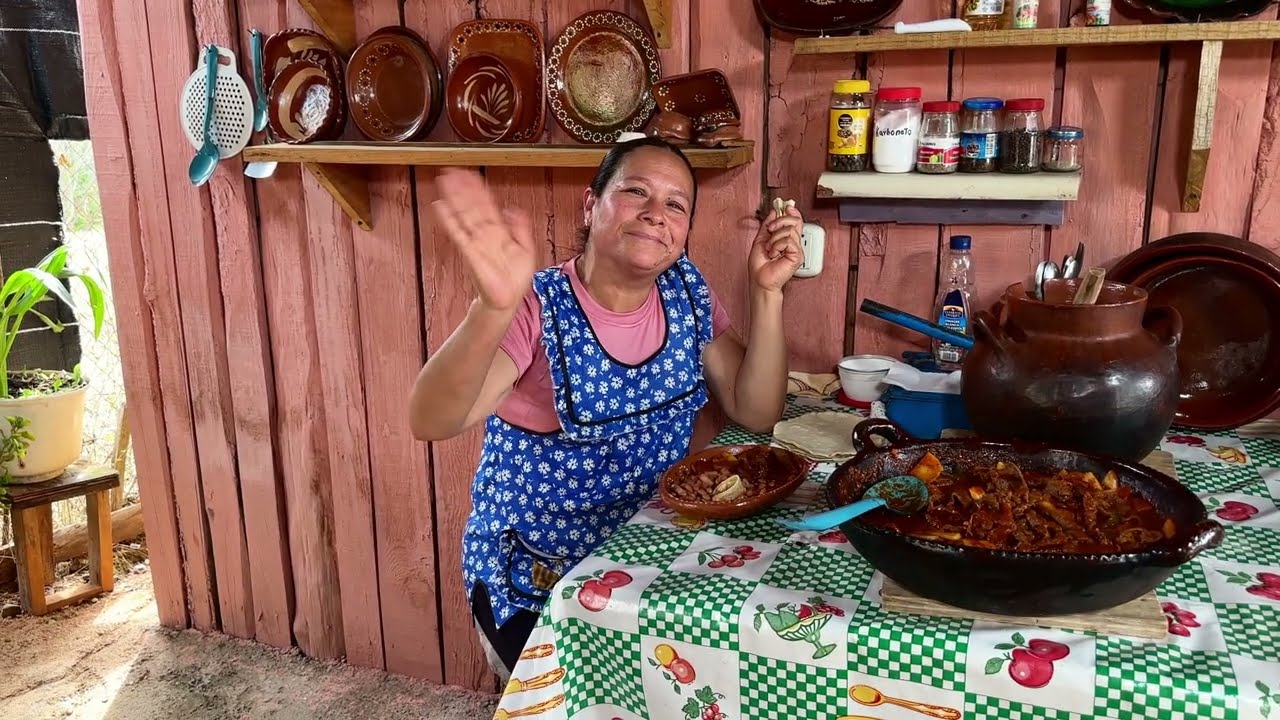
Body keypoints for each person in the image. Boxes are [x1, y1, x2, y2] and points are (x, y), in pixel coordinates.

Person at [409, 136, 804, 677]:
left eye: (675, 204)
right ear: (590, 204)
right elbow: (431, 419)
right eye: (635, 191)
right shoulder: (536, 305)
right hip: (540, 580)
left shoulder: (685, 291)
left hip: (650, 560)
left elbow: (755, 410)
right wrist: (491, 308)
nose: (654, 214)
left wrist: (768, 292)